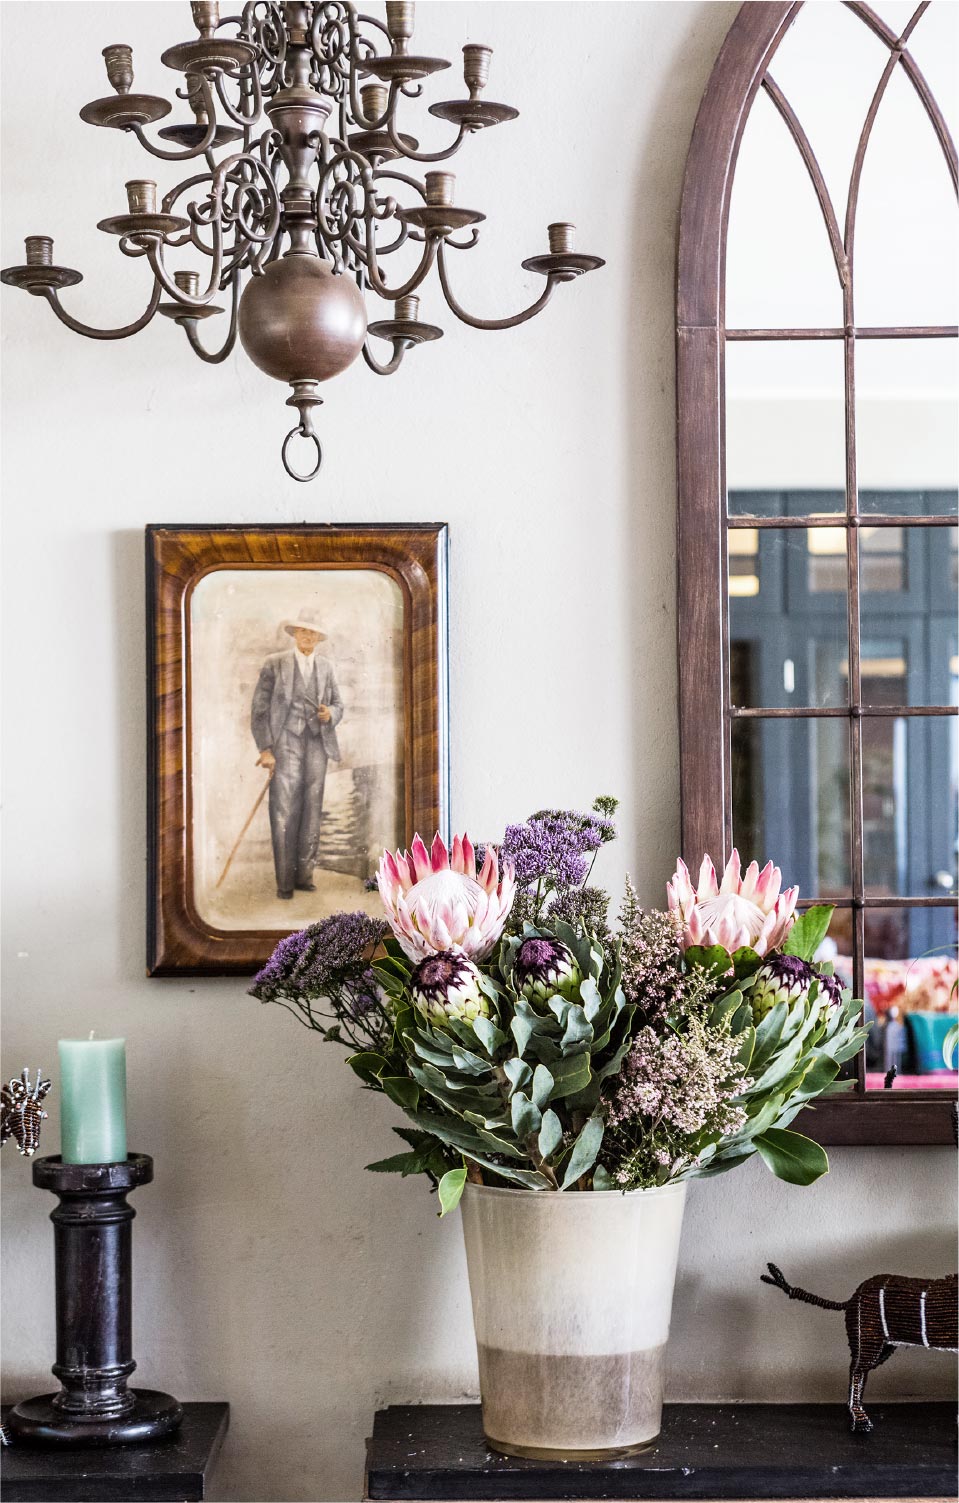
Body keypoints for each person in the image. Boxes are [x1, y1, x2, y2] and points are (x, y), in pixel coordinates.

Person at [250, 608, 344, 899]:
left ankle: (304, 877)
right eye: (303, 631)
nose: (308, 636)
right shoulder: (275, 664)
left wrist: (332, 713)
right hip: (285, 745)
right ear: (294, 634)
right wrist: (266, 750)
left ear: (318, 637)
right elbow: (259, 711)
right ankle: (284, 884)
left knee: (312, 811)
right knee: (283, 812)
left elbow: (339, 704)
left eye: (313, 632)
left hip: (318, 745)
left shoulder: (326, 667)